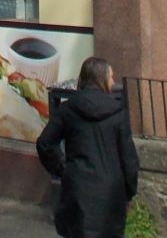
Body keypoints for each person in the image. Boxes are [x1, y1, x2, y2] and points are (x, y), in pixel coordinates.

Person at [35, 56, 140, 238]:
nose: (113, 81)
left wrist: (63, 169)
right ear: (102, 79)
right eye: (111, 77)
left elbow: (45, 143)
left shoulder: (69, 110)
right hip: (111, 191)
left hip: (78, 188)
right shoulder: (117, 112)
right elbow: (129, 159)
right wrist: (129, 192)